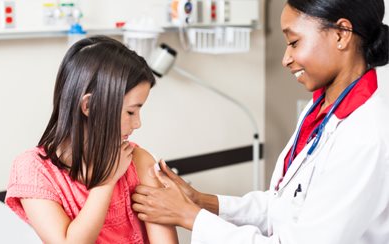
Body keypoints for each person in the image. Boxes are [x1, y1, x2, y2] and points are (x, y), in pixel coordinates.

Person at [132, 0, 389, 243]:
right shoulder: (320, 110)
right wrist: (201, 201)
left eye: (294, 42)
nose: (286, 58)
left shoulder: (366, 135)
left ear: (341, 34)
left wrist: (189, 216)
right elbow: (283, 207)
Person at [5, 36, 178, 244]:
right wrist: (106, 181)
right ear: (88, 106)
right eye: (130, 112)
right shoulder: (34, 171)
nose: (138, 123)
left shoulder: (138, 160)